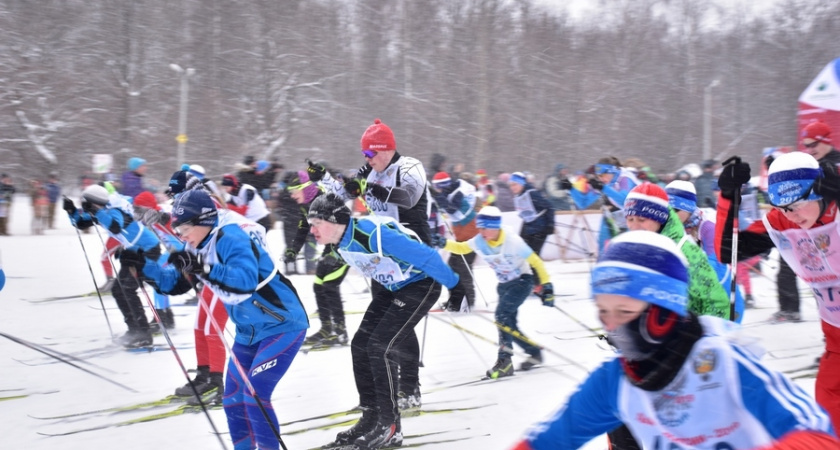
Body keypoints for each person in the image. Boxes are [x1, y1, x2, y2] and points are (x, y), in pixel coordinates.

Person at [511, 230, 839, 450]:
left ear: (662, 310)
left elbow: (816, 431)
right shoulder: (615, 380)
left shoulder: (723, 363)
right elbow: (548, 439)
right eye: (603, 312)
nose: (612, 326)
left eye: (624, 311)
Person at [137, 188, 308, 450]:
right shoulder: (196, 243)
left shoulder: (232, 237)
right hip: (248, 331)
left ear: (203, 221)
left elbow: (244, 281)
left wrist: (201, 267)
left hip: (282, 325)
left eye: (183, 228)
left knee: (255, 396)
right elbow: (175, 283)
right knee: (232, 400)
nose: (181, 235)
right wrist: (142, 266)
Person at [307, 193, 459, 450]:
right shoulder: (339, 242)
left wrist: (456, 287)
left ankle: (390, 426)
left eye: (315, 223)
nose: (311, 230)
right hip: (395, 287)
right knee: (360, 345)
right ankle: (371, 417)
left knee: (380, 347)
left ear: (334, 221)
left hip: (421, 284)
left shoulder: (371, 232)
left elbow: (428, 257)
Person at [307, 118, 434, 412]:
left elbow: (409, 197)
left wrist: (377, 191)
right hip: (382, 257)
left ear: (386, 149)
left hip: (411, 256)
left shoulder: (409, 167)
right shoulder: (370, 169)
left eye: (371, 153)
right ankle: (380, 397)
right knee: (385, 326)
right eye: (364, 154)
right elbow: (342, 194)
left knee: (400, 326)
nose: (367, 159)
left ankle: (409, 389)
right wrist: (323, 178)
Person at [716, 151, 840, 432]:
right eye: (782, 207)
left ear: (818, 191)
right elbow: (729, 252)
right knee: (828, 421)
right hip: (836, 343)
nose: (791, 215)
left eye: (796, 205)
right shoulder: (782, 222)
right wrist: (728, 197)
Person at [433, 206, 554, 377]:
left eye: (483, 228)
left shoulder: (513, 241)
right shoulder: (480, 240)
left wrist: (547, 286)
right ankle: (534, 352)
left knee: (501, 316)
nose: (480, 231)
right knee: (509, 324)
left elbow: (536, 261)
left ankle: (505, 361)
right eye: (479, 227)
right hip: (504, 285)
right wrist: (444, 243)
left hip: (522, 281)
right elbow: (462, 248)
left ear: (494, 227)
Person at [62, 184, 162, 348]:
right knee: (118, 289)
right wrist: (71, 211)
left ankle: (143, 333)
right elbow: (81, 223)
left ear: (93, 202)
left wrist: (96, 211)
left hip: (148, 251)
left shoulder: (115, 209)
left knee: (127, 289)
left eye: (85, 202)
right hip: (133, 252)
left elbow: (115, 225)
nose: (83, 204)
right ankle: (134, 330)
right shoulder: (101, 211)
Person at [283, 170, 350, 347]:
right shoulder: (306, 204)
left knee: (329, 286)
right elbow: (303, 227)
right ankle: (327, 329)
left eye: (293, 190)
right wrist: (293, 250)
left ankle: (341, 333)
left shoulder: (327, 200)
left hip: (346, 246)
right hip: (332, 247)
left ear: (304, 188)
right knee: (318, 286)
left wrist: (335, 252)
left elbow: (347, 223)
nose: (291, 195)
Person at [430, 171, 479, 311]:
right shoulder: (447, 192)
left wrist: (437, 196)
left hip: (471, 235)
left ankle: (468, 301)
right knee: (453, 266)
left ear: (444, 185)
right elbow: (440, 205)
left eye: (438, 187)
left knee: (463, 268)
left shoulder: (458, 191)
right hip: (461, 236)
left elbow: (451, 208)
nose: (438, 190)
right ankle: (456, 299)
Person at [508, 171, 555, 292]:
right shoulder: (518, 196)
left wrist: (550, 224)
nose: (513, 188)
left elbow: (549, 207)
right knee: (523, 255)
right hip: (529, 228)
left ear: (521, 184)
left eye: (515, 185)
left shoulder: (532, 194)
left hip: (541, 228)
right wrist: (521, 234)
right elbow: (526, 216)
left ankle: (539, 284)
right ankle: (528, 282)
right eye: (511, 185)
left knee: (533, 257)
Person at [586, 157, 639, 254]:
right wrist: (570, 189)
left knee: (628, 251)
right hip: (619, 217)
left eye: (603, 175)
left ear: (612, 171)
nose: (601, 179)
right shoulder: (607, 182)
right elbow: (584, 202)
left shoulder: (625, 178)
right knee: (603, 248)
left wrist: (603, 188)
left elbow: (625, 201)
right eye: (598, 176)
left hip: (639, 218)